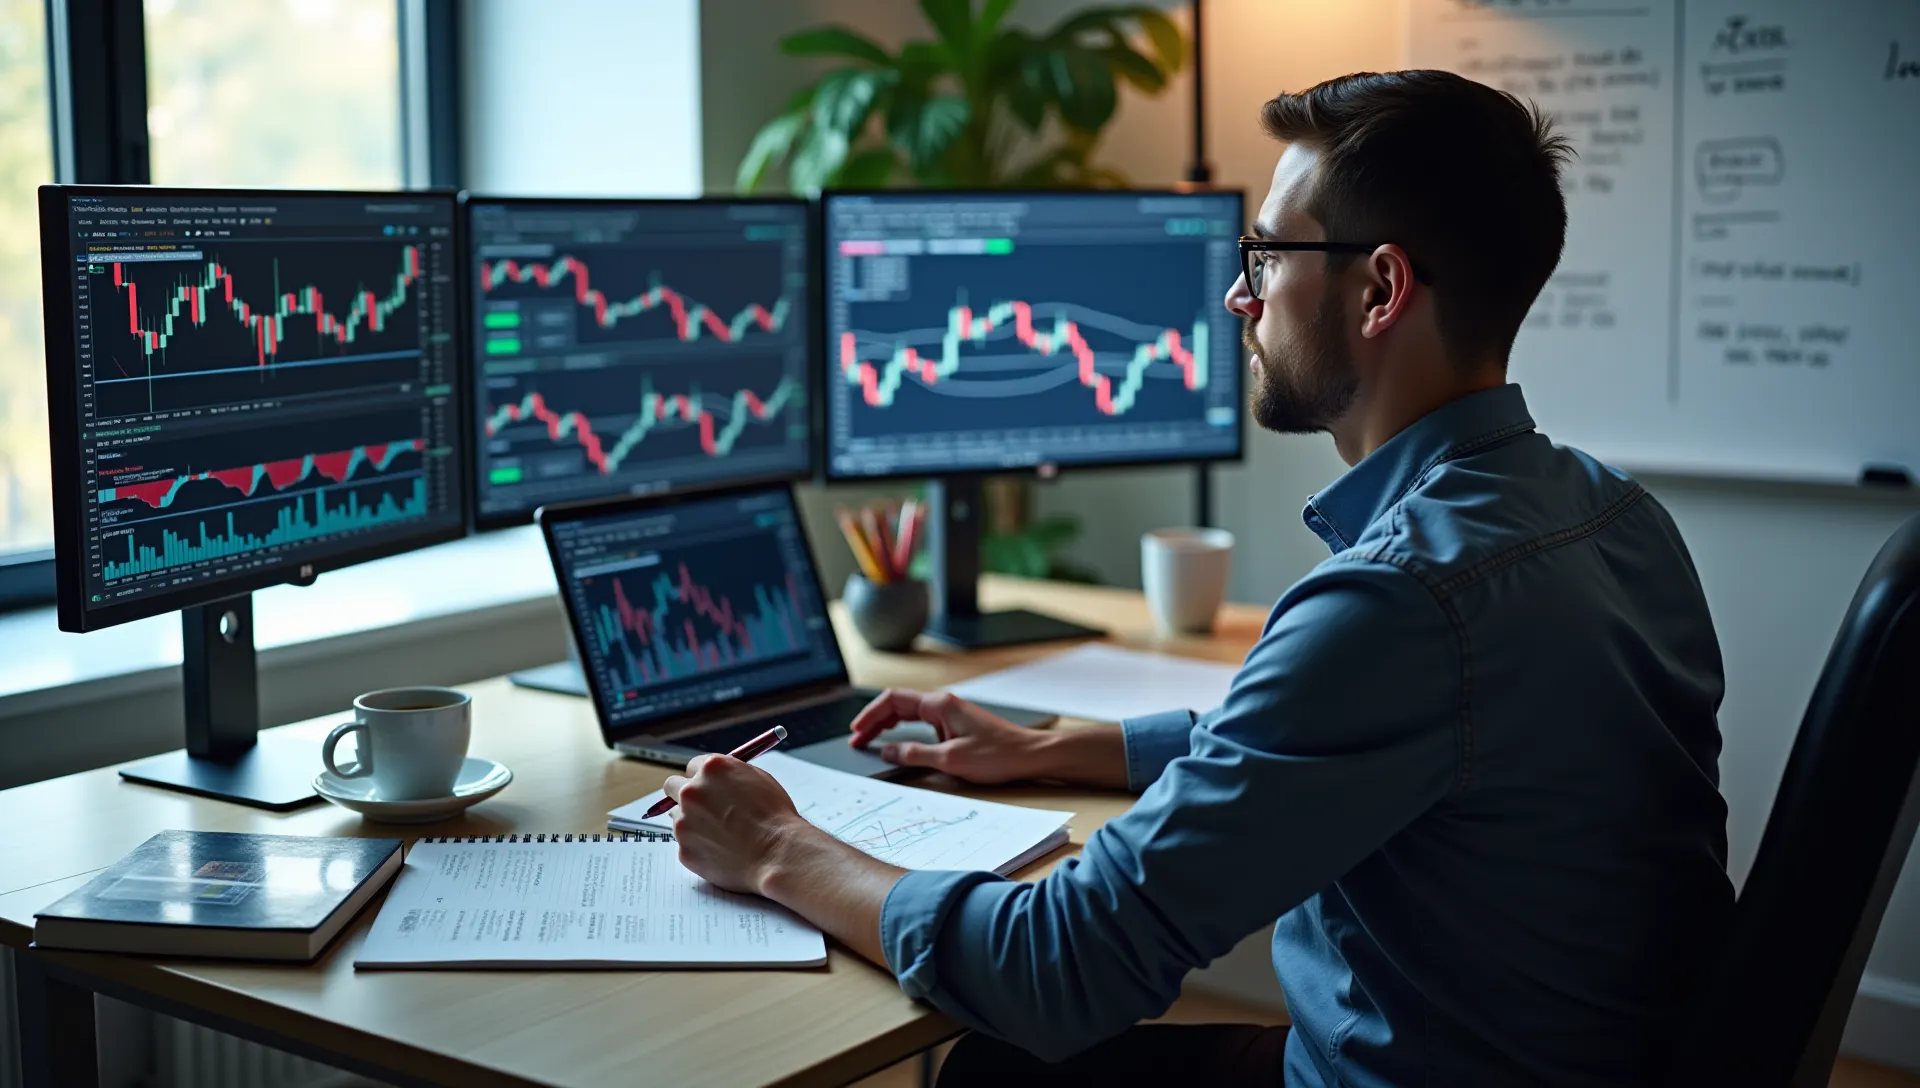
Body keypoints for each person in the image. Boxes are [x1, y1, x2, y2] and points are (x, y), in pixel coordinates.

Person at [661, 69, 1732, 1086]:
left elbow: (1062, 966)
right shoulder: (1615, 514)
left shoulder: (1401, 599)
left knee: (1003, 1061)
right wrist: (1054, 745)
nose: (1236, 294)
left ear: (1380, 288)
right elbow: (1376, 732)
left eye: (1265, 255)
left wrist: (777, 845)